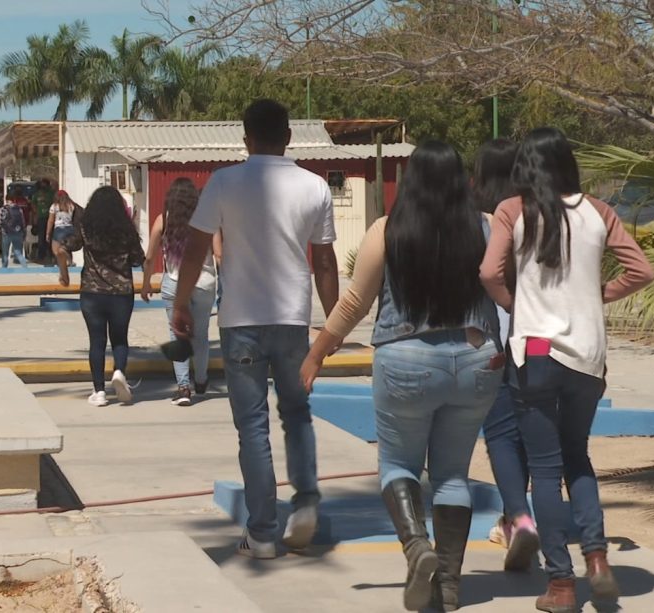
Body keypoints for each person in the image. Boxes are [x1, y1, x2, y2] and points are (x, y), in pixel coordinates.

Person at [302, 141, 504, 611]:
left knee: (397, 467)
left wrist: (315, 355)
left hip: (405, 361)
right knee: (453, 474)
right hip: (476, 359)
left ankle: (418, 549)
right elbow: (509, 289)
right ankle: (450, 587)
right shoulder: (487, 226)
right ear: (462, 181)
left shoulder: (388, 230)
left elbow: (354, 302)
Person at [480, 127, 653, 612]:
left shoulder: (512, 210)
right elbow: (641, 270)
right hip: (588, 356)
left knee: (545, 469)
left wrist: (518, 305)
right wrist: (596, 297)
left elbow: (489, 273)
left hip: (534, 353)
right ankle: (596, 559)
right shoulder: (599, 211)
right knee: (577, 457)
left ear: (524, 169)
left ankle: (561, 584)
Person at [171, 99, 339, 559]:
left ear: (246, 139)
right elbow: (323, 261)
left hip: (240, 320)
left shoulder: (224, 182)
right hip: (292, 321)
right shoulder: (315, 186)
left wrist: (182, 303)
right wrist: (335, 324)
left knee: (252, 428)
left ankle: (263, 532)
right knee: (298, 415)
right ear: (288, 136)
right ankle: (305, 503)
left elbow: (194, 249)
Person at [473, 138, 541, 572]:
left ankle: (518, 517)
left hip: (494, 336)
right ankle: (513, 517)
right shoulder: (534, 213)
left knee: (499, 432)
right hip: (538, 337)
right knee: (528, 430)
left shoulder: (482, 219)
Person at [141, 178, 221, 406]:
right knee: (202, 336)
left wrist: (146, 284)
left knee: (177, 335)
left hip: (174, 282)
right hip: (205, 283)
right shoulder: (207, 219)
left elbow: (149, 257)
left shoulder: (163, 220)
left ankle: (184, 388)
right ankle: (202, 381)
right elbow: (218, 255)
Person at [78, 186, 145, 407]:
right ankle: (119, 372)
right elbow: (137, 259)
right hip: (121, 293)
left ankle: (99, 392)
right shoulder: (126, 231)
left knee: (96, 341)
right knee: (120, 338)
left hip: (92, 292)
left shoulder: (86, 228)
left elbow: (66, 245)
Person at [46, 190, 79, 287]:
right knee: (66, 248)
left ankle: (63, 273)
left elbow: (51, 220)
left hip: (59, 230)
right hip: (69, 229)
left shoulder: (54, 206)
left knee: (56, 252)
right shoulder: (71, 206)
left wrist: (48, 233)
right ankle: (68, 260)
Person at [0, 197, 28, 268]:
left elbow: (1, 221)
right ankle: (25, 266)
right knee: (18, 252)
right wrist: (23, 231)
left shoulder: (4, 209)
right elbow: (23, 221)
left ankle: (4, 267)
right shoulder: (19, 209)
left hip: (6, 233)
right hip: (18, 232)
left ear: (6, 200)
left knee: (5, 252)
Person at [32, 178, 56, 262]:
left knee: (50, 236)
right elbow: (33, 205)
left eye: (44, 184)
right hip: (41, 218)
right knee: (41, 238)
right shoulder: (36, 195)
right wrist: (36, 215)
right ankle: (41, 255)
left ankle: (51, 254)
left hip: (50, 217)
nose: (42, 186)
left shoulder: (51, 193)